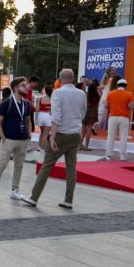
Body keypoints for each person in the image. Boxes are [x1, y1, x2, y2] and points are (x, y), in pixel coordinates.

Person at [22, 69, 86, 209]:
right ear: (73, 79)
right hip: (76, 134)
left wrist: (52, 137)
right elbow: (82, 113)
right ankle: (68, 200)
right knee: (71, 167)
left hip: (62, 133)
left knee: (47, 165)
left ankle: (34, 197)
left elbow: (56, 117)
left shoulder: (58, 93)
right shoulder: (81, 93)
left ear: (60, 79)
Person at [0, 77, 32, 202]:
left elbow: (28, 120)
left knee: (19, 165)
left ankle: (15, 190)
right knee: (1, 164)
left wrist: (28, 134)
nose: (26, 87)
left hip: (22, 140)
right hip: (9, 139)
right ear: (16, 88)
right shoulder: (6, 103)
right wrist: (3, 138)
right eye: (23, 85)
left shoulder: (26, 104)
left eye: (26, 84)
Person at [104, 78, 134, 160]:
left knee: (110, 136)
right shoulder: (129, 94)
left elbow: (106, 106)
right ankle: (122, 156)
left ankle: (108, 155)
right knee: (123, 137)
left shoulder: (110, 93)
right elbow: (131, 106)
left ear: (117, 85)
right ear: (126, 86)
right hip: (124, 117)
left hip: (113, 117)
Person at [81, 82, 100, 151]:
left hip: (85, 113)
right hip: (93, 113)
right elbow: (97, 105)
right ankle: (86, 146)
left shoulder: (86, 95)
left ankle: (79, 145)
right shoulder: (98, 96)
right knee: (89, 129)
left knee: (82, 130)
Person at [36, 85, 53, 154]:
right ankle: (43, 150)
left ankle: (40, 146)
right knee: (46, 134)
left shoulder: (40, 98)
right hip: (48, 116)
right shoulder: (53, 99)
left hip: (41, 115)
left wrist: (37, 117)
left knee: (42, 133)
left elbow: (37, 109)